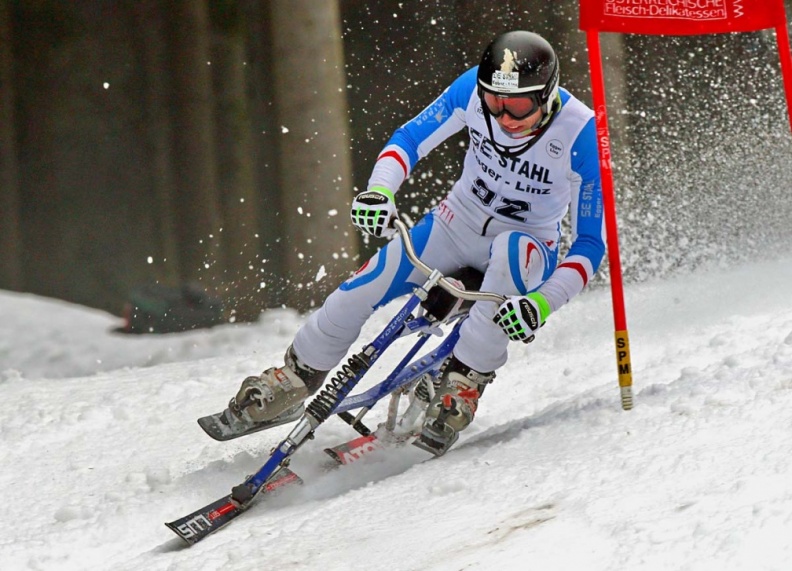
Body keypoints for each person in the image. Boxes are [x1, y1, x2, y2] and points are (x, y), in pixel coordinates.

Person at [226, 30, 605, 454]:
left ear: (548, 94)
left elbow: (590, 244)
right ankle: (296, 376)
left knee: (511, 259)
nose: (503, 117)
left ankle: (462, 384)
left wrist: (543, 303)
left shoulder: (581, 134)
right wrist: (379, 191)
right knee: (363, 286)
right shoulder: (471, 91)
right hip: (455, 222)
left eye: (517, 105)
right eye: (494, 103)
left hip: (528, 244)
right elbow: (408, 139)